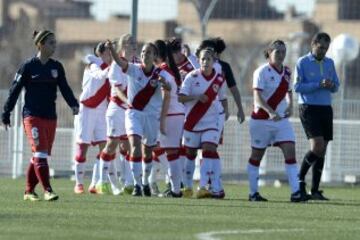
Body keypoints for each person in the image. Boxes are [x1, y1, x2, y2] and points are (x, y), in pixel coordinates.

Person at [1, 29, 79, 201]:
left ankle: (28, 192)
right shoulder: (28, 66)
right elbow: (15, 90)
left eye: (55, 42)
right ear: (41, 44)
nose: (54, 46)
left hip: (50, 117)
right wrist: (6, 113)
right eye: (51, 43)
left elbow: (64, 88)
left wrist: (73, 104)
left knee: (39, 155)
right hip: (32, 116)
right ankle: (48, 190)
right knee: (41, 153)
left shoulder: (56, 67)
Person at [107, 40, 170, 197]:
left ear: (154, 56)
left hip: (151, 116)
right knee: (134, 145)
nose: (144, 55)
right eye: (142, 52)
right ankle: (136, 185)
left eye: (148, 52)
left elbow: (169, 88)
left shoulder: (160, 73)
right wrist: (112, 50)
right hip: (134, 113)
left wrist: (165, 84)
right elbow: (120, 62)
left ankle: (146, 182)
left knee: (148, 151)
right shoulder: (134, 69)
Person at [247, 40, 302, 202]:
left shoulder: (287, 71)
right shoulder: (261, 72)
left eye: (283, 51)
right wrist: (270, 112)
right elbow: (257, 97)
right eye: (277, 51)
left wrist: (290, 105)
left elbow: (289, 90)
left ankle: (296, 193)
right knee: (256, 156)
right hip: (261, 121)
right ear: (269, 53)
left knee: (290, 151)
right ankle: (253, 193)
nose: (281, 54)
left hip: (281, 122)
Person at [294, 32, 340, 201]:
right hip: (308, 108)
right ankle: (298, 182)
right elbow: (297, 86)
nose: (323, 51)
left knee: (323, 149)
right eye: (321, 47)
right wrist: (317, 84)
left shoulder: (330, 63)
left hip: (325, 108)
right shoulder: (302, 62)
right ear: (313, 44)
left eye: (326, 48)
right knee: (317, 146)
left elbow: (336, 86)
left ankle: (315, 190)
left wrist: (331, 85)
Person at [178, 48, 228, 199]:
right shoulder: (191, 77)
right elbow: (181, 97)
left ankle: (204, 186)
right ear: (198, 61)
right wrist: (196, 97)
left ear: (214, 62)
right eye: (203, 59)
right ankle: (187, 186)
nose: (206, 62)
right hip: (192, 122)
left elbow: (223, 98)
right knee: (190, 154)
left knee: (208, 150)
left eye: (209, 59)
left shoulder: (219, 79)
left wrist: (224, 114)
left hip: (211, 121)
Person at [96, 34, 137, 195]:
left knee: (127, 146)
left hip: (130, 110)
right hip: (117, 109)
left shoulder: (136, 64)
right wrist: (128, 101)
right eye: (130, 43)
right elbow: (118, 90)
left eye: (135, 42)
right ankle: (102, 182)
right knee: (112, 145)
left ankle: (127, 182)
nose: (134, 45)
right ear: (122, 46)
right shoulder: (116, 65)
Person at [73, 42, 111, 194]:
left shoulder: (109, 67)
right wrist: (113, 67)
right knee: (83, 148)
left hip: (102, 110)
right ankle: (78, 183)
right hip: (87, 110)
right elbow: (100, 75)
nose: (111, 55)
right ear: (101, 53)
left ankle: (95, 183)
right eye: (109, 52)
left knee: (104, 147)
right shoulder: (92, 65)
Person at [154, 39, 184, 197]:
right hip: (176, 114)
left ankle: (176, 190)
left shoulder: (163, 72)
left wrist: (162, 120)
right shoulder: (169, 69)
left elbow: (166, 97)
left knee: (171, 153)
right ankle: (174, 187)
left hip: (170, 115)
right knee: (159, 149)